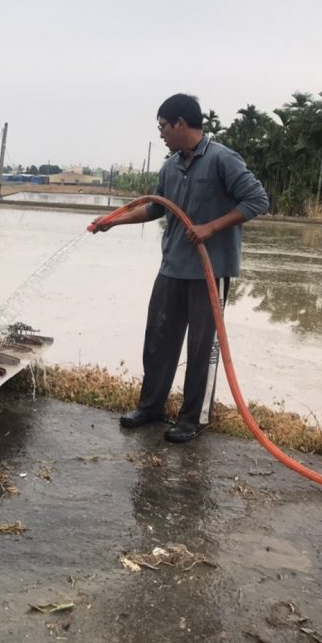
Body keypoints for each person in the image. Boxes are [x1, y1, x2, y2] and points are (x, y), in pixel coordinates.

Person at [91, 93, 268, 443]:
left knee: (201, 347)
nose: (161, 134)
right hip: (172, 266)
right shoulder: (171, 166)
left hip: (209, 271)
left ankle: (193, 418)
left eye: (163, 127)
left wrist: (211, 227)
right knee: (158, 340)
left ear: (181, 124)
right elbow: (156, 208)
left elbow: (257, 200)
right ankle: (150, 407)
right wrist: (114, 221)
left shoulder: (222, 160)